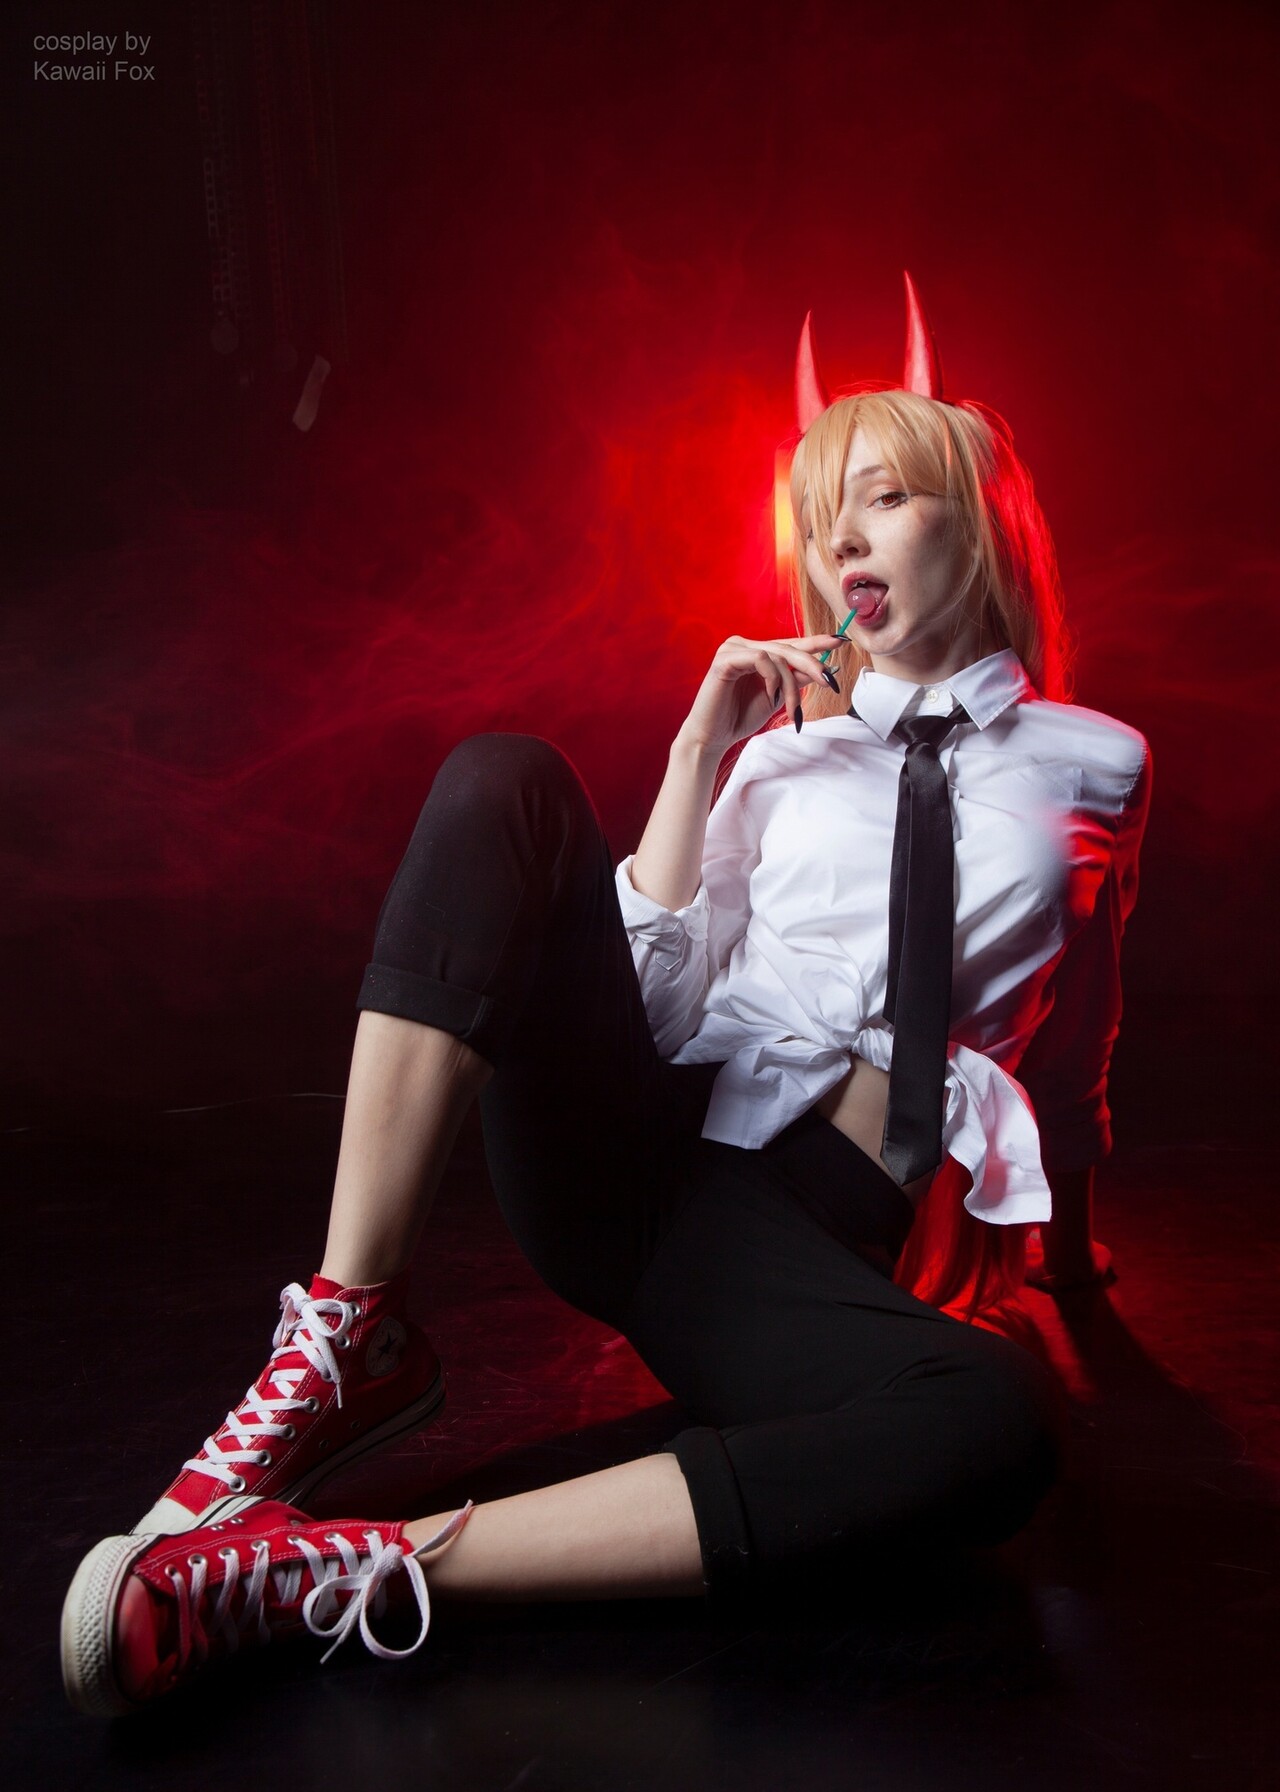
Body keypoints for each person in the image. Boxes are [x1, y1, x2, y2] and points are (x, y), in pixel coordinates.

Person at [61, 282, 1152, 1717]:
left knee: (1001, 1420)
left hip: (790, 1254)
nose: (841, 542)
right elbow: (656, 1002)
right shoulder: (782, 758)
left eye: (885, 500)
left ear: (984, 518)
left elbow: (1081, 1018)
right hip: (634, 1154)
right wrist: (701, 753)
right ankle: (347, 1333)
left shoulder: (1099, 764)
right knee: (507, 780)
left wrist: (1067, 1250)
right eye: (822, 520)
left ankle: (348, 1569)